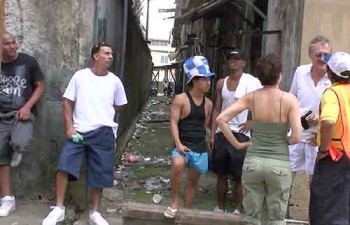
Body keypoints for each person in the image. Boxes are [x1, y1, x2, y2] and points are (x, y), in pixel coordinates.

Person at [42, 42, 127, 225]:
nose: (110, 56)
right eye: (106, 53)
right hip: (79, 131)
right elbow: (67, 102)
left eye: (111, 53)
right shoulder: (80, 77)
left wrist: (104, 111)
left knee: (100, 172)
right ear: (96, 56)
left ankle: (95, 212)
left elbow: (120, 105)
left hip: (104, 132)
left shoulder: (115, 81)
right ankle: (58, 209)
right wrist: (69, 127)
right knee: (64, 164)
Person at [216, 55, 301, 225]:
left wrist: (238, 144)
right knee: (276, 218)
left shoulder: (251, 97)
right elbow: (297, 137)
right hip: (279, 163)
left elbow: (220, 119)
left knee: (252, 217)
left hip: (253, 161)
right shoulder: (289, 99)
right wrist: (284, 141)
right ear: (280, 74)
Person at [210, 50, 261, 213]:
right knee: (221, 174)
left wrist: (252, 122)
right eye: (230, 58)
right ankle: (220, 207)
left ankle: (238, 209)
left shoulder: (251, 83)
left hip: (240, 132)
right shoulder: (221, 83)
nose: (232, 61)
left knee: (239, 176)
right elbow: (217, 109)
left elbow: (264, 102)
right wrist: (212, 134)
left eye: (236, 58)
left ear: (243, 63)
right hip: (222, 132)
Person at [0, 31, 45, 217]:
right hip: (2, 116)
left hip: (23, 114)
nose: (11, 46)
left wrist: (27, 106)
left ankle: (17, 148)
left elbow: (41, 86)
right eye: (7, 44)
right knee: (1, 158)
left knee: (19, 142)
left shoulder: (28, 61)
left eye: (13, 42)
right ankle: (8, 199)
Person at [163, 56, 214, 219]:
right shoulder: (181, 99)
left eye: (209, 79)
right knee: (178, 164)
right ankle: (175, 201)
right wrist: (178, 143)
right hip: (182, 142)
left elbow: (204, 125)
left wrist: (208, 140)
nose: (208, 82)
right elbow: (173, 122)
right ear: (194, 80)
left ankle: (187, 209)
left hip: (198, 144)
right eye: (204, 79)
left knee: (193, 180)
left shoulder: (209, 104)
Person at [309, 52, 350, 225]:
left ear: (330, 72)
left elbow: (328, 121)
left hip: (334, 158)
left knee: (325, 209)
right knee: (344, 207)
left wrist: (323, 149)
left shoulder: (333, 93)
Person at [289, 36, 332, 186]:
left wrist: (320, 118)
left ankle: (314, 211)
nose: (322, 58)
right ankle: (283, 210)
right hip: (296, 133)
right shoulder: (301, 72)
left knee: (316, 185)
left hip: (318, 137)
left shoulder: (333, 77)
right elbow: (292, 98)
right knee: (286, 182)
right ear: (310, 55)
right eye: (318, 54)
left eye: (326, 55)